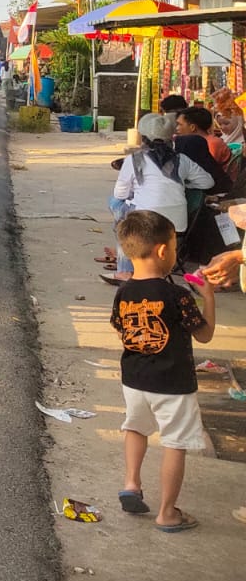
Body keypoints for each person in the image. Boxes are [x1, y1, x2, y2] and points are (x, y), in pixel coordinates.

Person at [110, 210, 216, 532]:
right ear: (161, 251)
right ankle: (167, 512)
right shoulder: (177, 295)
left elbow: (120, 330)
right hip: (173, 384)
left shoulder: (123, 292)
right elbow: (205, 333)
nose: (173, 254)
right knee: (174, 443)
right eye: (173, 247)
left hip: (135, 380)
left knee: (136, 428)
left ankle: (131, 482)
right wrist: (208, 297)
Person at [106, 113, 213, 280]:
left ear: (143, 137)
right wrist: (184, 184)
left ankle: (125, 269)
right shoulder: (181, 159)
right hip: (177, 225)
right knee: (126, 210)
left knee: (116, 204)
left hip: (145, 223)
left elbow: (120, 193)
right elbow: (207, 182)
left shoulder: (134, 159)